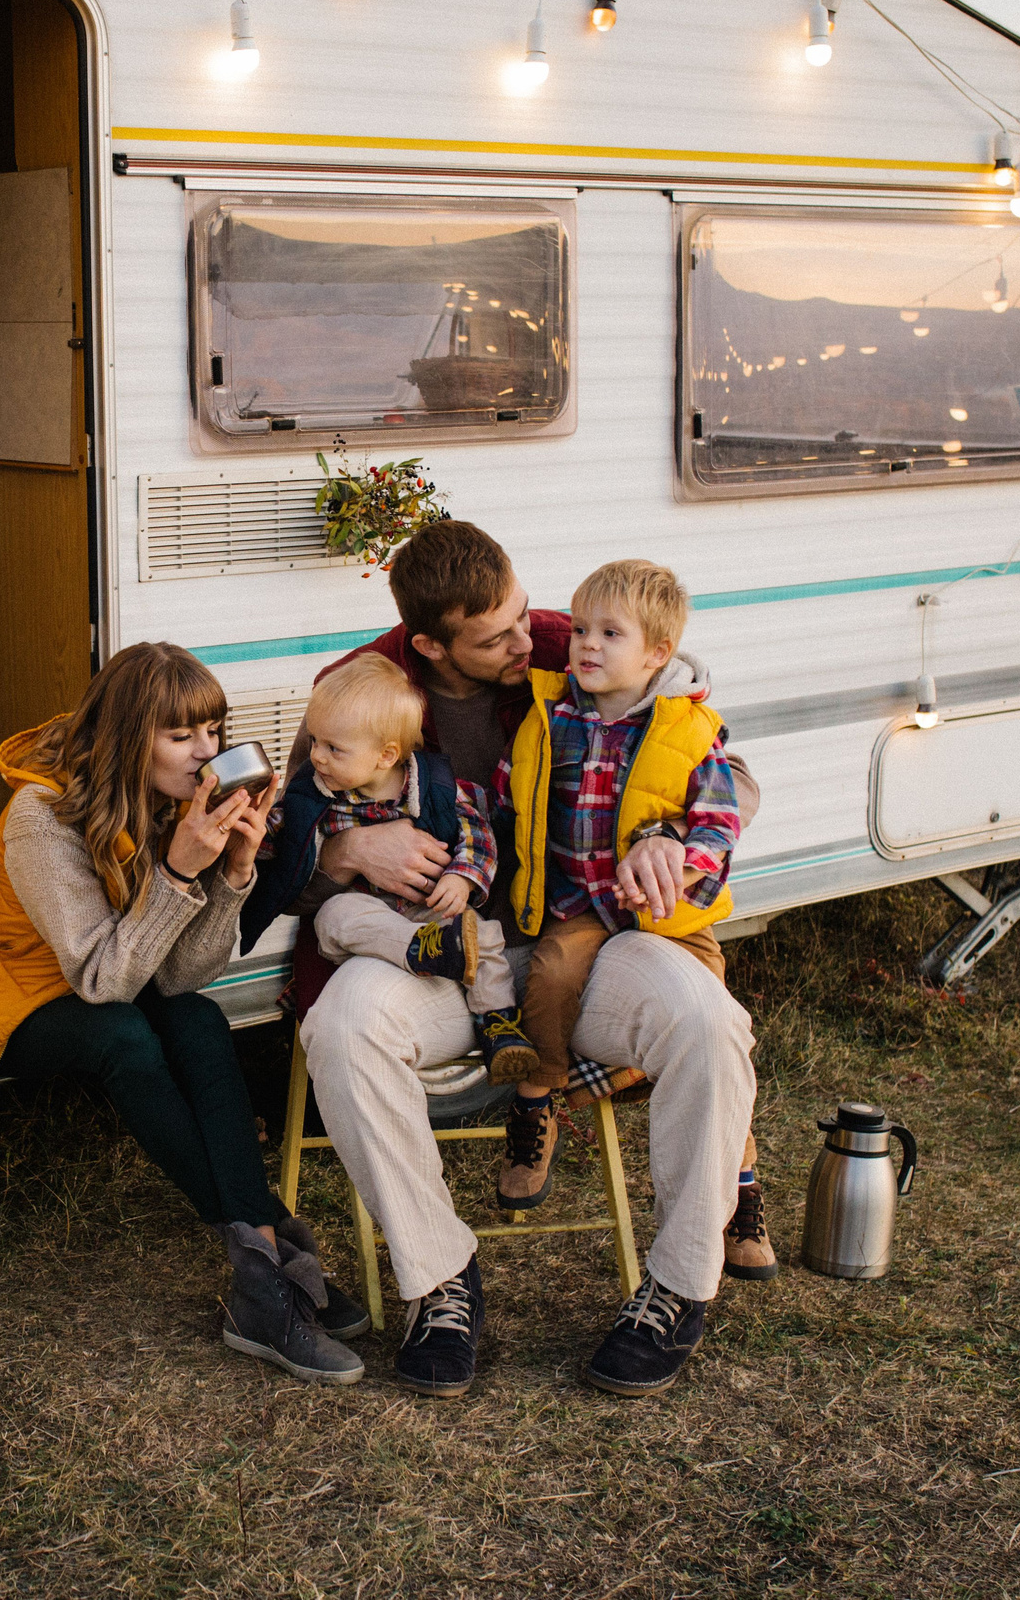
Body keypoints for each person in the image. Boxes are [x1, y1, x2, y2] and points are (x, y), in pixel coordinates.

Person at [285, 521, 768, 1399]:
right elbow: (288, 858)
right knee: (343, 1023)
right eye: (496, 635)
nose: (529, 639)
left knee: (708, 1018)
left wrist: (665, 831)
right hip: (432, 954)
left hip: (571, 945)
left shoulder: (562, 642)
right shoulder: (359, 690)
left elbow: (711, 746)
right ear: (431, 645)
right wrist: (350, 855)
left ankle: (679, 1284)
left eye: (522, 616)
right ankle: (439, 1280)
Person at [0, 641, 369, 1386]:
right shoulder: (42, 814)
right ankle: (272, 1259)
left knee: (197, 1021)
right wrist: (180, 869)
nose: (206, 754)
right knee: (123, 1036)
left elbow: (185, 973)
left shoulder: (170, 802)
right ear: (132, 736)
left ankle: (262, 1270)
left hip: (98, 974)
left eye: (214, 731)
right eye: (182, 734)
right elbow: (104, 980)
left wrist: (231, 872)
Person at [492, 560, 742, 1236]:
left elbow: (720, 822)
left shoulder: (689, 728)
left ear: (658, 653)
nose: (586, 645)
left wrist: (678, 867)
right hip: (581, 904)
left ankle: (741, 1181)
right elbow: (516, 794)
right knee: (549, 976)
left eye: (610, 632)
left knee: (715, 1038)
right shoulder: (551, 717)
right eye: (578, 629)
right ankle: (537, 1100)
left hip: (668, 916)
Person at [239, 653, 531, 1077]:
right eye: (316, 741)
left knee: (482, 937)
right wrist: (249, 827)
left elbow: (476, 834)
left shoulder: (435, 787)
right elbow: (277, 836)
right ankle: (422, 949)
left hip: (431, 904)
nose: (316, 757)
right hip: (374, 917)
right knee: (334, 917)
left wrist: (462, 879)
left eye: (333, 747)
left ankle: (499, 1024)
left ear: (385, 755)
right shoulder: (314, 794)